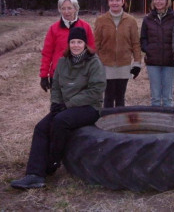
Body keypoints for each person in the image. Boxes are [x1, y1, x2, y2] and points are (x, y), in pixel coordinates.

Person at [11, 27, 106, 189]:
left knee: (60, 121)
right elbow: (56, 86)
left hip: (89, 108)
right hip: (64, 107)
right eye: (73, 42)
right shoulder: (62, 62)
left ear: (85, 44)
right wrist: (55, 103)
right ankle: (34, 175)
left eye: (79, 42)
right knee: (41, 127)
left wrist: (67, 105)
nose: (76, 45)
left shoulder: (94, 63)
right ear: (69, 44)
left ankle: (53, 161)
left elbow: (95, 92)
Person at [94, 0, 141, 108]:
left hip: (124, 65)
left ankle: (120, 123)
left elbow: (135, 43)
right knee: (108, 97)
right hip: (106, 65)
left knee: (120, 97)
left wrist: (137, 63)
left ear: (123, 2)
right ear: (108, 2)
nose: (114, 3)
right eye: (112, 0)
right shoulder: (101, 20)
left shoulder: (131, 21)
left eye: (117, 0)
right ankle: (108, 123)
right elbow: (96, 43)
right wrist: (95, 62)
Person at [40, 0, 95, 92]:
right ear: (59, 9)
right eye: (63, 8)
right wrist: (44, 75)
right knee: (59, 106)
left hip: (80, 75)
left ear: (75, 8)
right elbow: (47, 54)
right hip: (58, 76)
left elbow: (92, 51)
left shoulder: (85, 27)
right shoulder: (53, 29)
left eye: (69, 8)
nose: (66, 12)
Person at [140, 0, 174, 106]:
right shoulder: (147, 19)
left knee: (167, 98)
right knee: (155, 97)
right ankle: (154, 122)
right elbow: (143, 39)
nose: (158, 2)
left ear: (167, 1)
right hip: (153, 62)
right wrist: (148, 49)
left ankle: (168, 123)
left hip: (170, 62)